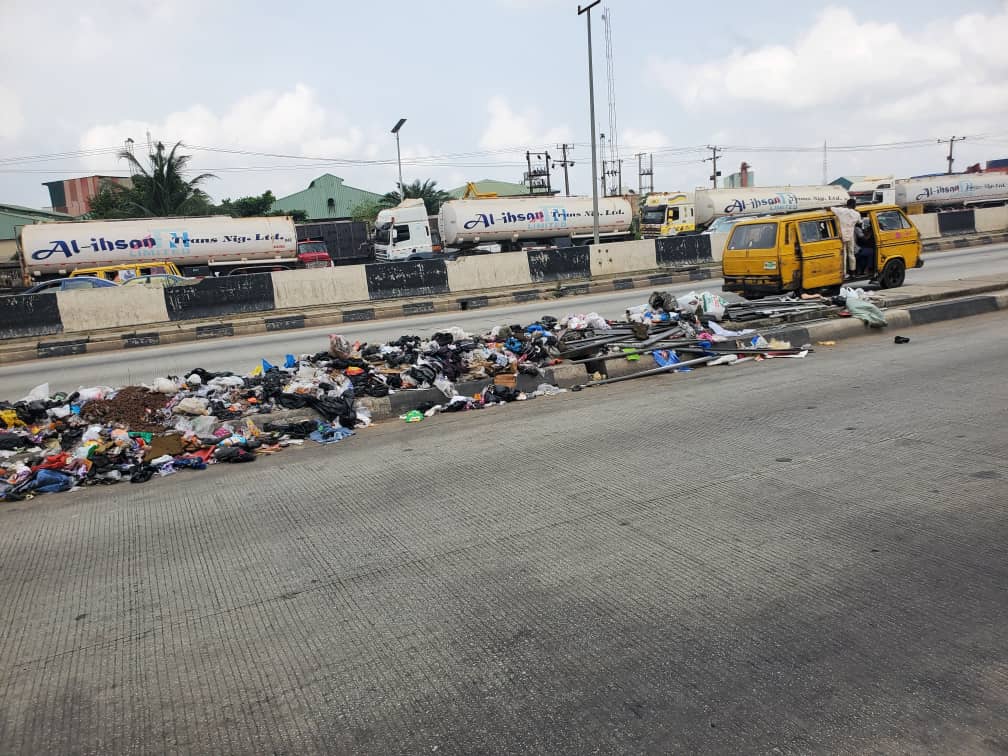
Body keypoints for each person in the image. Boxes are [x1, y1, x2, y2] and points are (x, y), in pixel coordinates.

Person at [831, 199, 861, 277]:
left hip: (842, 236)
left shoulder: (841, 211)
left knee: (843, 254)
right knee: (851, 253)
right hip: (850, 236)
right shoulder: (857, 214)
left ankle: (844, 273)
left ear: (847, 204)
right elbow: (859, 222)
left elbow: (830, 208)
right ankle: (853, 271)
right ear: (854, 205)